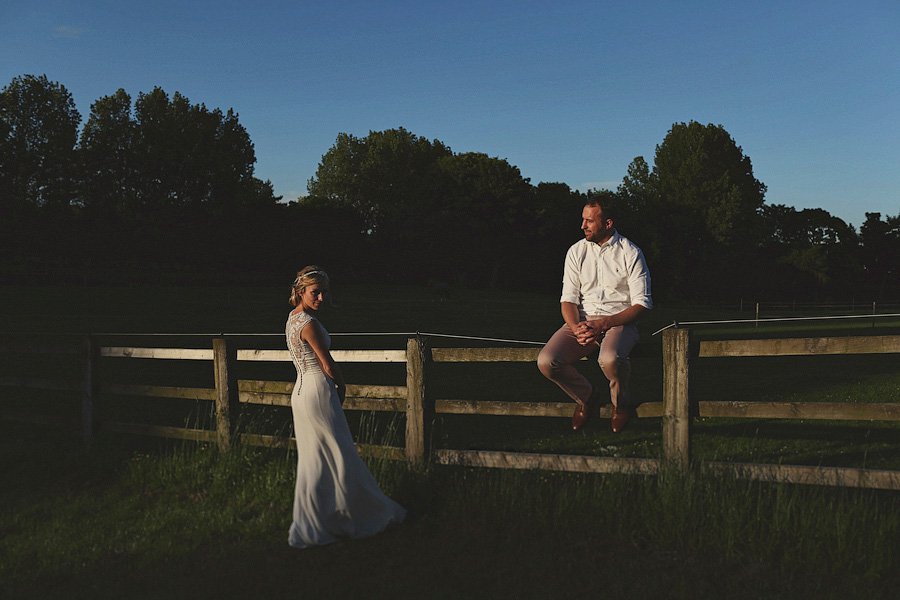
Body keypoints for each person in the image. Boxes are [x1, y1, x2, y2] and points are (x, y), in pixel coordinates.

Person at [285, 266, 405, 548]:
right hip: (317, 391)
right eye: (316, 292)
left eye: (325, 292)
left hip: (300, 393)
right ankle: (359, 514)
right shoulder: (308, 324)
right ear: (301, 292)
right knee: (340, 454)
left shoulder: (291, 320)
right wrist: (342, 386)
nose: (322, 298)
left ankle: (317, 519)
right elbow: (326, 363)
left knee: (314, 459)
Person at [537, 198, 652, 433]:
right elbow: (568, 299)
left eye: (589, 221)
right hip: (582, 321)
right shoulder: (576, 251)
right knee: (547, 361)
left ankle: (620, 405)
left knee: (609, 359)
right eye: (583, 219)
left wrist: (604, 323)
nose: (583, 226)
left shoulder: (630, 252)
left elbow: (642, 304)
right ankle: (587, 397)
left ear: (608, 223)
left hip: (619, 322)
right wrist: (577, 327)